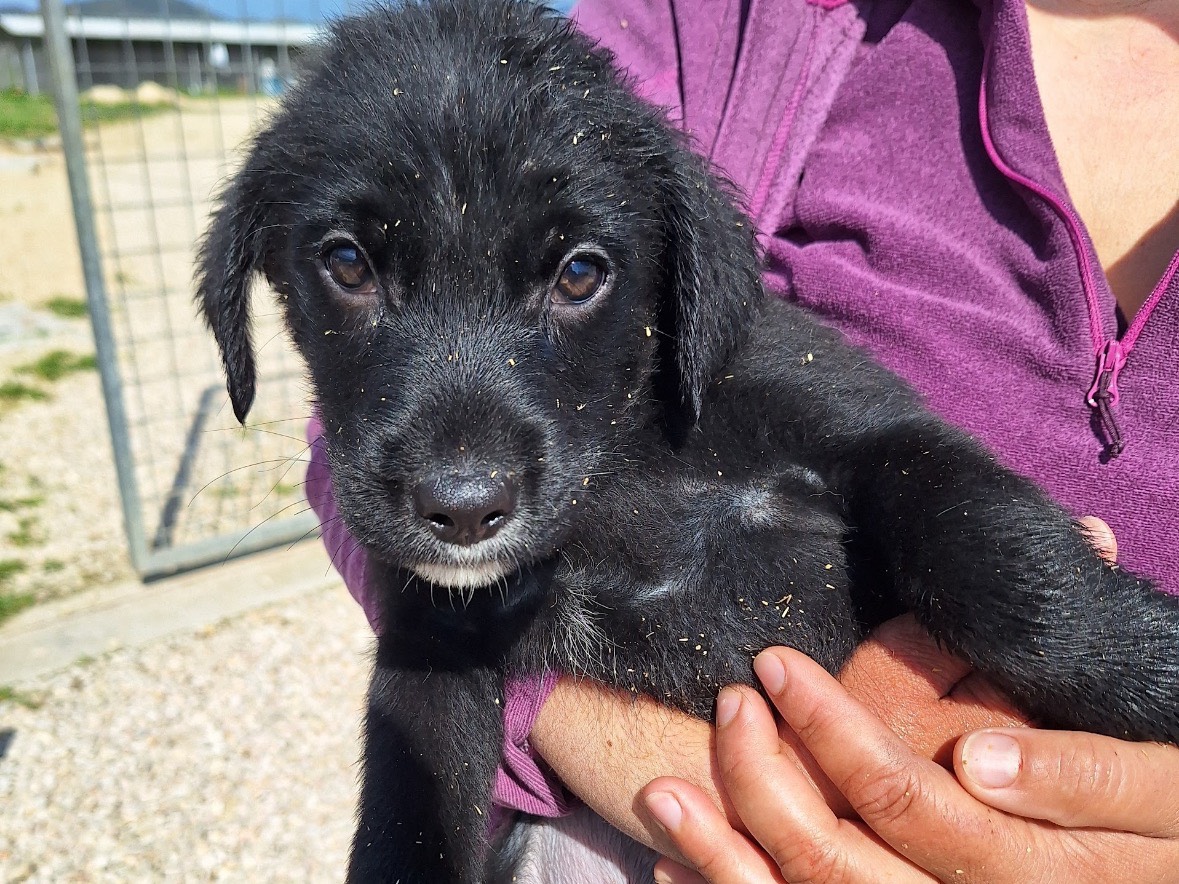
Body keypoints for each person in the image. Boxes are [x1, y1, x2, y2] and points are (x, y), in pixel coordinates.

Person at [305, 0, 1179, 879]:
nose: (459, 477)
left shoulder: (724, 334)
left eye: (574, 274)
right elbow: (412, 600)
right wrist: (734, 804)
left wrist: (1089, 647)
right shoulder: (724, 19)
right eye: (349, 268)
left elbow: (898, 461)